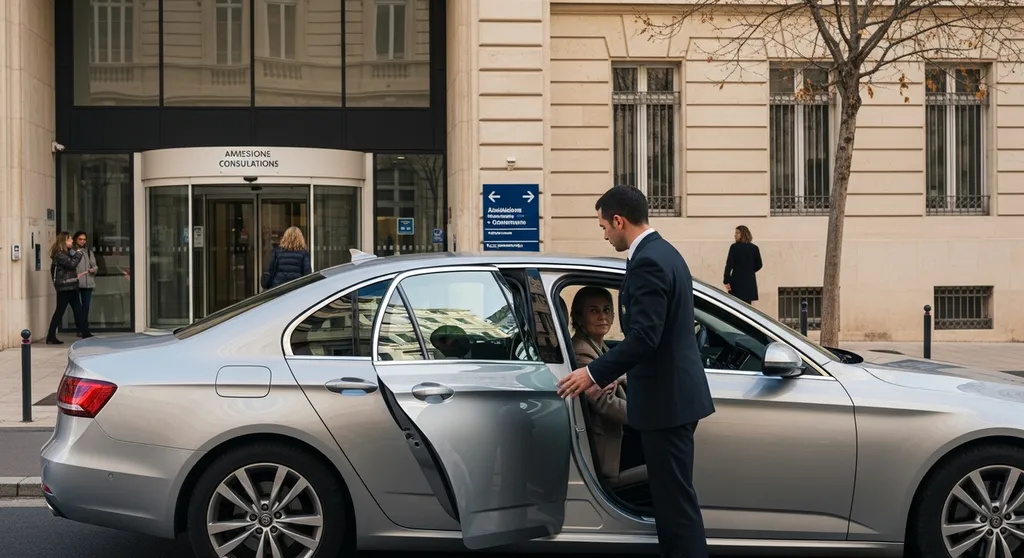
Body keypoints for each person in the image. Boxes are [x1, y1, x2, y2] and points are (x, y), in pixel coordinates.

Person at [557, 185, 715, 558]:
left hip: (667, 405)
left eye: (603, 227)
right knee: (673, 501)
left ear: (618, 220)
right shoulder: (665, 253)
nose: (605, 234)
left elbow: (645, 338)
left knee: (675, 508)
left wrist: (592, 373)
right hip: (672, 400)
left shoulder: (648, 261)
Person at [570, 286, 645, 487]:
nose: (602, 316)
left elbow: (623, 374)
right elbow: (603, 402)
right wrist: (645, 416)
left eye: (606, 310)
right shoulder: (581, 351)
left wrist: (618, 378)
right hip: (606, 445)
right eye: (593, 311)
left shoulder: (598, 346)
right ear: (578, 317)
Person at [46, 231, 92, 344]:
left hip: (71, 285)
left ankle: (85, 333)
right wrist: (79, 254)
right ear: (64, 241)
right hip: (64, 287)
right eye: (69, 239)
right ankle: (50, 336)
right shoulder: (59, 254)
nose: (72, 241)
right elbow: (72, 264)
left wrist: (74, 252)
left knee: (78, 310)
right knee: (60, 311)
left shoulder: (66, 253)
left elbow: (71, 262)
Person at [723, 225, 762, 305]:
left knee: (736, 306)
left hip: (737, 283)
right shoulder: (754, 248)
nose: (735, 235)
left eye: (737, 233)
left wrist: (727, 280)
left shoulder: (734, 247)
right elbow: (759, 264)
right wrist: (749, 271)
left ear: (743, 234)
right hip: (749, 282)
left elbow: (729, 265)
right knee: (747, 307)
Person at [72, 230, 98, 335]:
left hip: (88, 283)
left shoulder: (88, 251)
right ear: (75, 239)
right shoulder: (72, 251)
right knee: (78, 308)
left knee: (86, 306)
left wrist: (94, 269)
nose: (82, 241)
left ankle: (84, 328)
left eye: (84, 239)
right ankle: (80, 328)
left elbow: (95, 265)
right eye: (80, 239)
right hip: (76, 283)